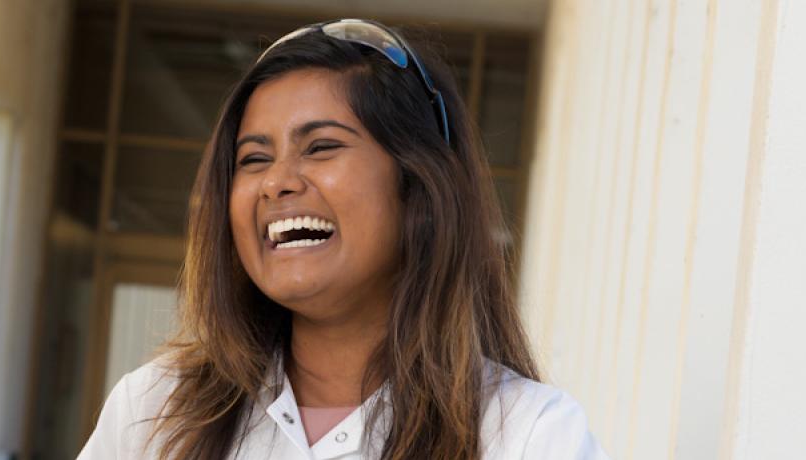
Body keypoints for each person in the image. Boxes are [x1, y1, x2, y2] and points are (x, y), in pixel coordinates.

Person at [78, 19, 607, 459]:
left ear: (418, 187)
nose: (277, 182)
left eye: (321, 147)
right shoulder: (152, 411)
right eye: (254, 158)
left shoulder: (528, 435)